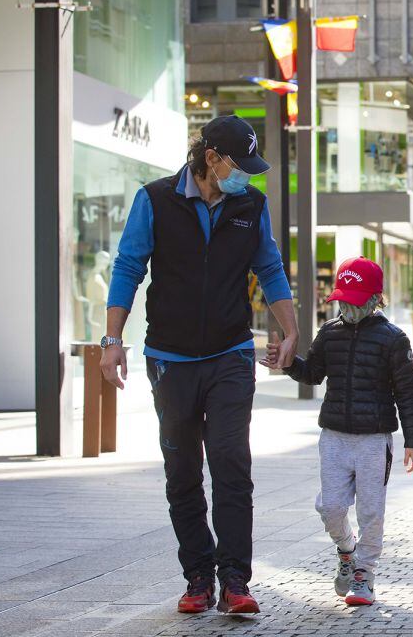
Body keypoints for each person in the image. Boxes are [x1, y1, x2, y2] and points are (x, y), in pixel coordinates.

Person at [100, 116, 299, 614]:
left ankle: (235, 579)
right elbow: (128, 266)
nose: (246, 177)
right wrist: (112, 339)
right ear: (211, 158)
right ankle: (197, 576)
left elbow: (269, 265)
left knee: (232, 462)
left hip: (231, 354)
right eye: (239, 165)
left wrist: (292, 330)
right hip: (170, 358)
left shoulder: (250, 205)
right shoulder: (156, 199)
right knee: (183, 470)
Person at [264, 257, 413, 607]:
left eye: (354, 299)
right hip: (333, 436)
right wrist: (287, 363)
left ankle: (364, 573)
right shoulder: (329, 333)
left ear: (375, 299)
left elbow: (408, 393)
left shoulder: (393, 339)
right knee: (330, 507)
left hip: (373, 440)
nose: (347, 306)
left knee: (371, 511)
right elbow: (313, 374)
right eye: (343, 300)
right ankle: (347, 550)